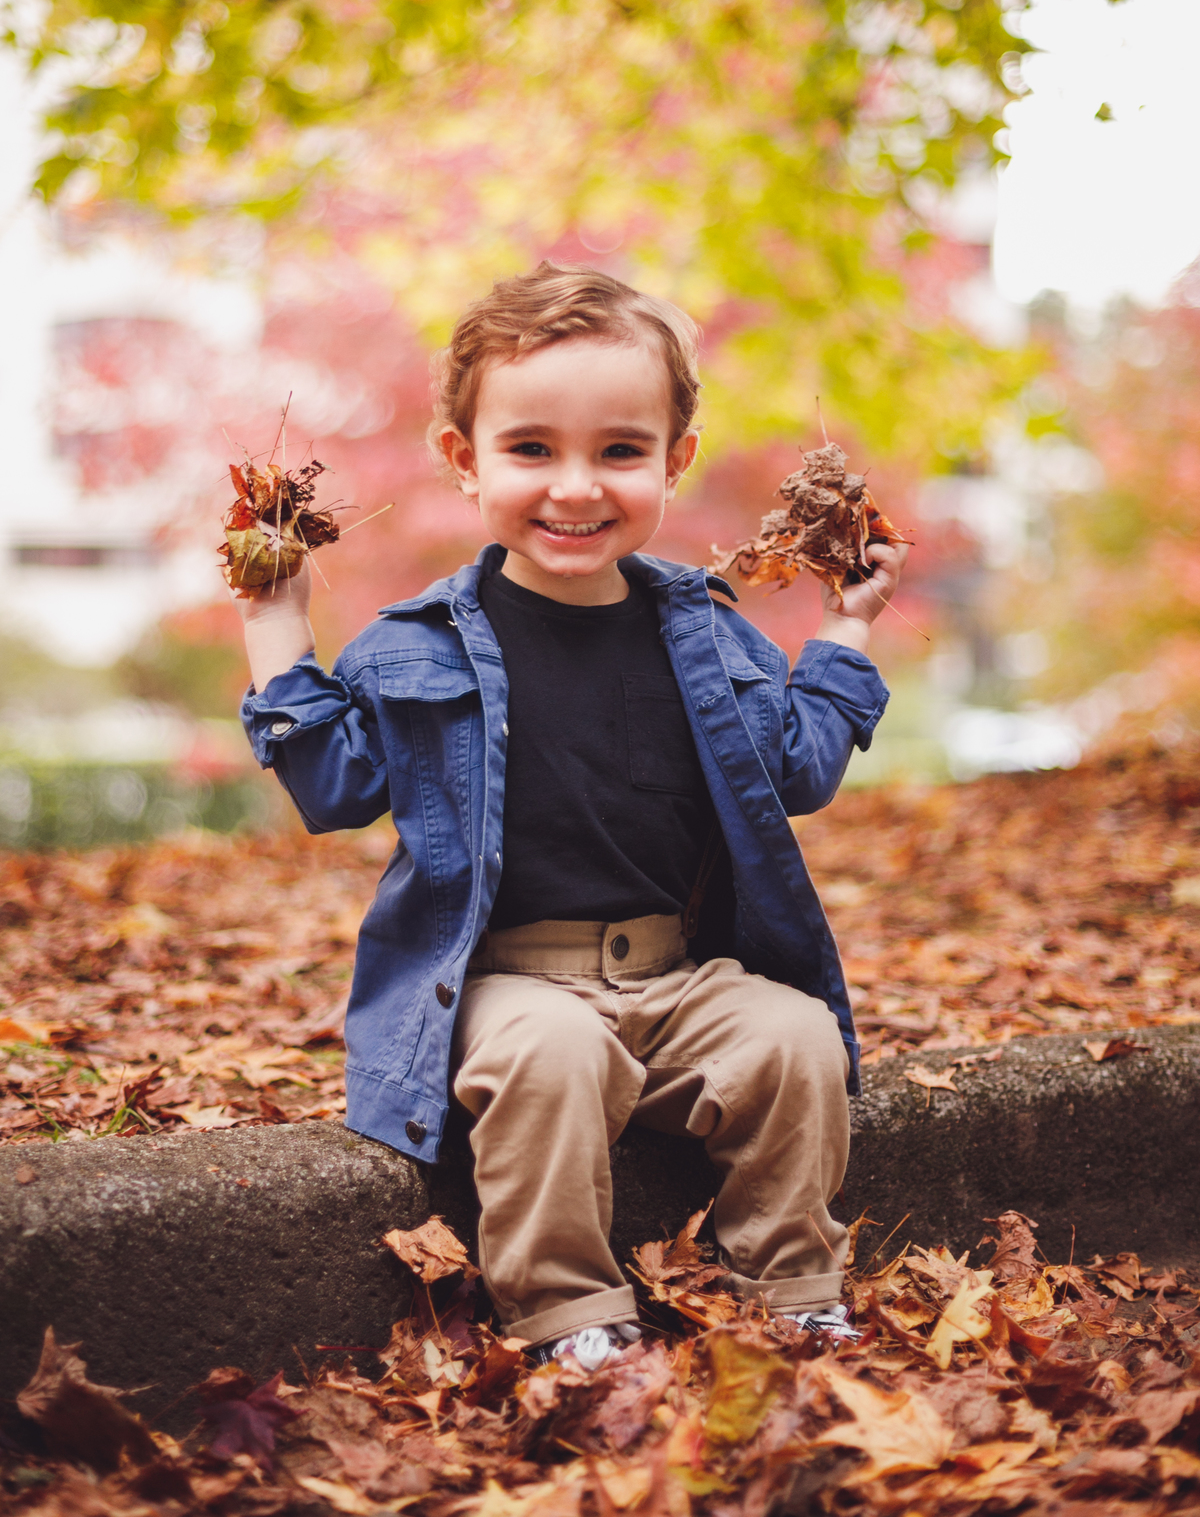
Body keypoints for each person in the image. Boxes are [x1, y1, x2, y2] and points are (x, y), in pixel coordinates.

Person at [238, 262, 906, 1368]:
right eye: (532, 449)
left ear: (675, 462)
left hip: (683, 980)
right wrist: (276, 619)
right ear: (464, 462)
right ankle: (568, 1313)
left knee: (793, 1040)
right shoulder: (417, 646)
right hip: (509, 985)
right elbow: (334, 785)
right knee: (549, 1054)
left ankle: (792, 1282)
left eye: (621, 451)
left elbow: (793, 768)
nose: (577, 487)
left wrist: (847, 634)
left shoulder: (709, 632)